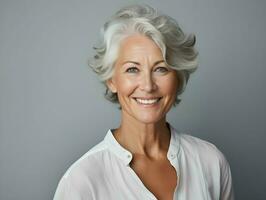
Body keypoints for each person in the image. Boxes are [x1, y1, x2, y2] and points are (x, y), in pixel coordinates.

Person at [53, 4, 234, 200]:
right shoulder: (82, 181)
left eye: (161, 69)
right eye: (132, 69)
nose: (148, 85)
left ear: (178, 77)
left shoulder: (211, 162)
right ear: (111, 80)